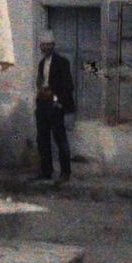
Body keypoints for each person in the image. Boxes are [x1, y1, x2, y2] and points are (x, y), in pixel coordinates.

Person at [34, 36, 76, 186]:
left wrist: (56, 99)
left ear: (53, 45)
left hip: (55, 105)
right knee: (42, 139)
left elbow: (68, 86)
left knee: (60, 139)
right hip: (43, 105)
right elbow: (41, 82)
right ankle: (46, 171)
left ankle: (65, 172)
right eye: (43, 45)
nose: (45, 48)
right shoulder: (41, 63)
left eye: (48, 45)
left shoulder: (62, 62)